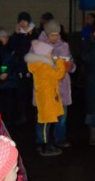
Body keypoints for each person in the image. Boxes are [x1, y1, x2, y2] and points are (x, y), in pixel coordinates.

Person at [37, 20, 75, 148]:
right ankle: (42, 141)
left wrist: (69, 66)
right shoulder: (39, 46)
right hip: (47, 86)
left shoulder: (64, 46)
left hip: (63, 84)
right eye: (52, 34)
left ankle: (60, 138)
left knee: (62, 115)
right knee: (46, 116)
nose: (55, 37)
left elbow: (71, 62)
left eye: (57, 34)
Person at [26, 40, 66, 157]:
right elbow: (58, 75)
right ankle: (44, 145)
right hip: (46, 97)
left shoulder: (42, 64)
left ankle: (46, 143)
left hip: (47, 96)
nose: (52, 54)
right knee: (45, 122)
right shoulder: (43, 66)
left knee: (46, 121)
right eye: (50, 52)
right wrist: (59, 62)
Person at [9, 12, 40, 125]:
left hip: (34, 66)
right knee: (21, 92)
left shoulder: (35, 33)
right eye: (21, 21)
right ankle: (23, 115)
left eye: (25, 20)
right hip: (21, 67)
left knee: (35, 91)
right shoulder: (17, 35)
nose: (23, 23)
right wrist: (16, 34)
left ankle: (37, 113)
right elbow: (12, 47)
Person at [0, 28, 19, 126]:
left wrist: (6, 73)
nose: (5, 39)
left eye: (6, 37)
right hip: (0, 82)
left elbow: (13, 63)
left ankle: (9, 120)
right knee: (1, 102)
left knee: (10, 102)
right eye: (2, 37)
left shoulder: (11, 49)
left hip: (10, 80)